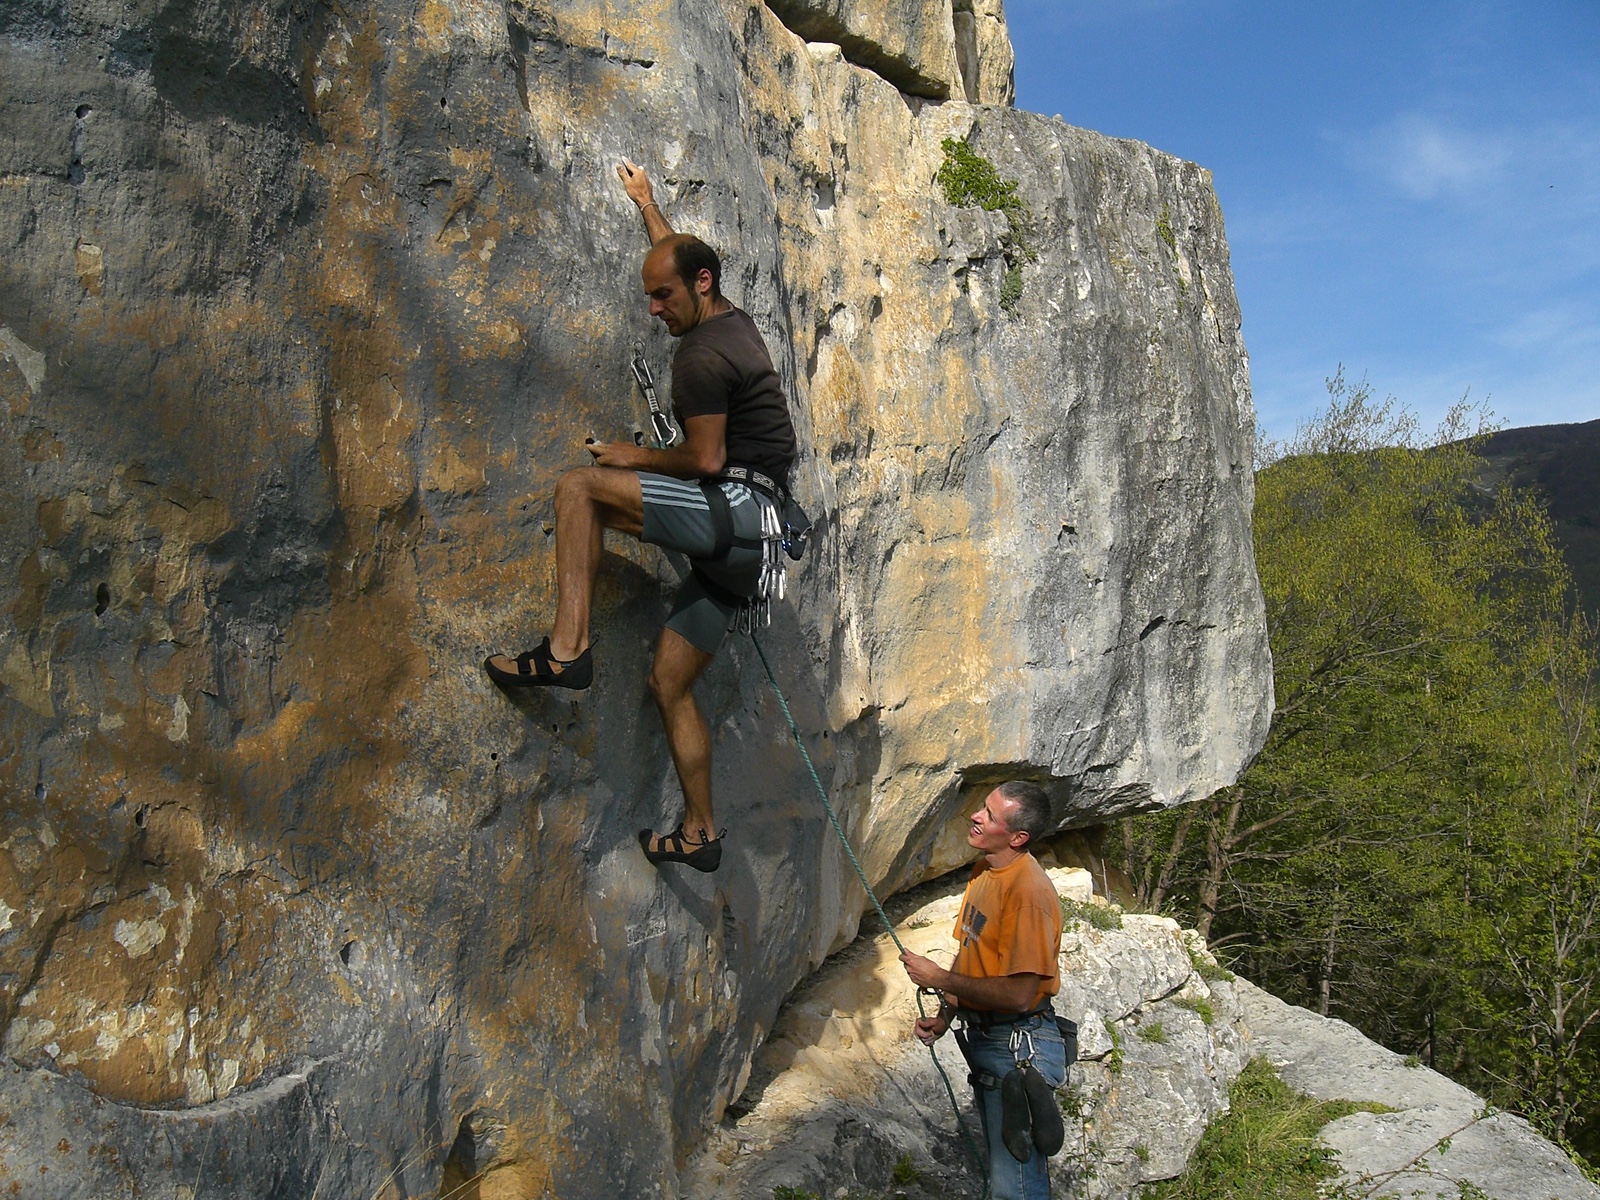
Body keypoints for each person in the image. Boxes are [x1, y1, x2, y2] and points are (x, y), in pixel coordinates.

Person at [484, 158, 798, 874]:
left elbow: (708, 461)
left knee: (580, 489)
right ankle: (700, 831)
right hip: (755, 547)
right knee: (669, 682)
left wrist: (632, 456)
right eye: (650, 297)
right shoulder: (732, 318)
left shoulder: (700, 360)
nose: (655, 310)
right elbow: (683, 254)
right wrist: (647, 205)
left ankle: (567, 650)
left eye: (662, 298)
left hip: (736, 513)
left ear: (699, 288)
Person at [900, 781, 1068, 1200]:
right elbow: (971, 952)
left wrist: (938, 979)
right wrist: (945, 1015)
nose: (976, 816)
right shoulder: (986, 871)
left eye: (991, 816)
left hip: (1018, 1046)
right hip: (992, 1039)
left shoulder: (1027, 892)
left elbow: (1017, 994)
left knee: (1016, 1184)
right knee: (1005, 1175)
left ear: (1017, 837)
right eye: (983, 808)